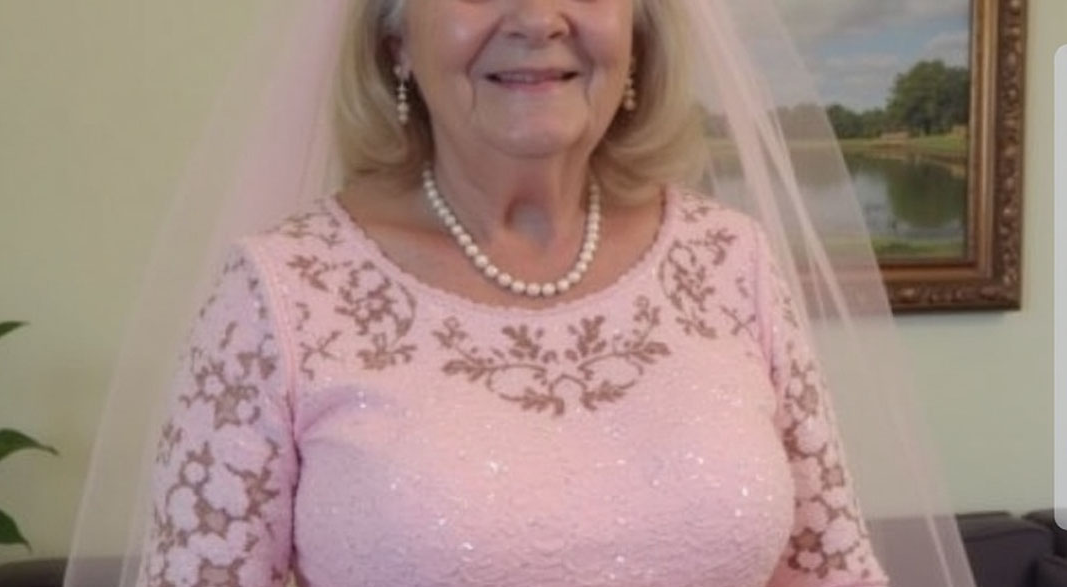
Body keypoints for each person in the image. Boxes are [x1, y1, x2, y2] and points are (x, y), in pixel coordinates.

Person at [64, 1, 976, 586]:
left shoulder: (732, 261)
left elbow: (831, 569)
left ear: (638, 32)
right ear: (396, 39)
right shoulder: (278, 294)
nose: (539, 17)